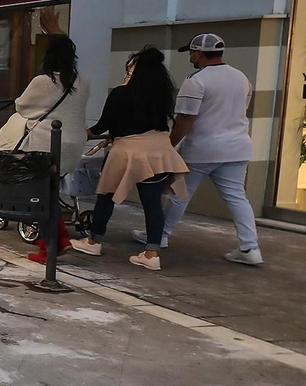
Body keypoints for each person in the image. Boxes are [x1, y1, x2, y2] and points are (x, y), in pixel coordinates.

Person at [141, 34, 263, 265]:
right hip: (237, 147)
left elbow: (185, 119)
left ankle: (159, 236)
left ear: (197, 52)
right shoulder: (242, 78)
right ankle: (250, 248)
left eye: (191, 52)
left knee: (178, 194)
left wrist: (167, 146)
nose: (190, 57)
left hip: (202, 149)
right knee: (237, 197)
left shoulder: (196, 80)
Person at [72, 47, 187, 271]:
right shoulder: (163, 93)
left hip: (126, 151)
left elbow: (101, 126)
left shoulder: (120, 93)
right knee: (152, 203)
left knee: (106, 196)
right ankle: (152, 253)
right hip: (159, 151)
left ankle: (94, 241)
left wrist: (82, 133)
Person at [0, 35, 91, 261]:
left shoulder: (43, 81)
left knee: (39, 197)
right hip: (73, 146)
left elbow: (22, 107)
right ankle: (60, 241)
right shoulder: (83, 82)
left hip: (45, 146)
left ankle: (48, 249)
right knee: (50, 193)